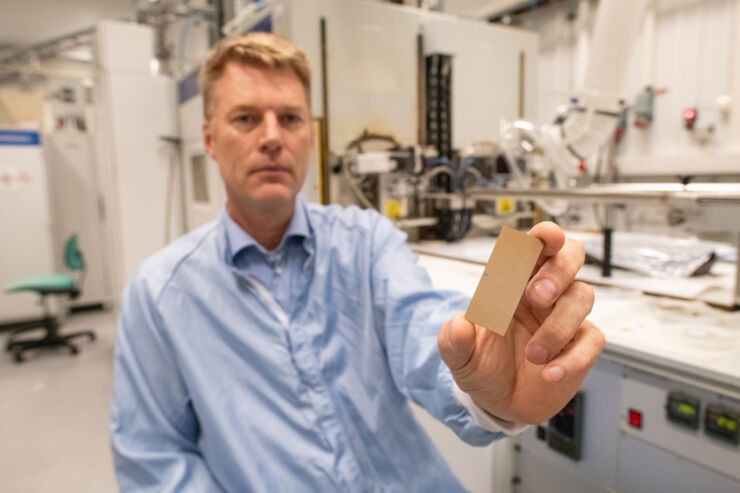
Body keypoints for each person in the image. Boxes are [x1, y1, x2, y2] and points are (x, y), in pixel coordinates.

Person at [110, 33, 604, 492]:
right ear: (210, 140)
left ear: (310, 136)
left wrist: (489, 391)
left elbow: (424, 327)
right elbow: (154, 459)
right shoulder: (161, 293)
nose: (271, 137)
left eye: (290, 118)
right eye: (245, 119)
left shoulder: (364, 241)